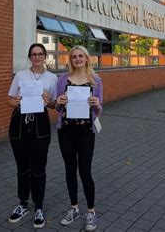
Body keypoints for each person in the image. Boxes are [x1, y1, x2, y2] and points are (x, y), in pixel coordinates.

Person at [7, 43, 57, 228]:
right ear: (30, 57)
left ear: (45, 57)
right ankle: (22, 204)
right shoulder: (20, 75)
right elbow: (9, 99)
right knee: (22, 167)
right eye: (34, 54)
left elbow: (54, 105)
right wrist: (17, 101)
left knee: (38, 168)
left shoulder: (52, 78)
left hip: (40, 126)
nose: (37, 57)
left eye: (40, 54)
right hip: (19, 125)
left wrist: (48, 100)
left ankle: (39, 206)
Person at [55, 45, 103, 231]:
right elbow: (58, 109)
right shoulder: (62, 80)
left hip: (85, 132)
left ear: (86, 58)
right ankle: (74, 208)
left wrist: (97, 104)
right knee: (69, 169)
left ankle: (91, 211)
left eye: (80, 56)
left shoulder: (95, 80)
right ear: (71, 60)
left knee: (85, 171)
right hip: (65, 131)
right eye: (74, 56)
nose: (77, 59)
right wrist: (58, 102)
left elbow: (99, 111)